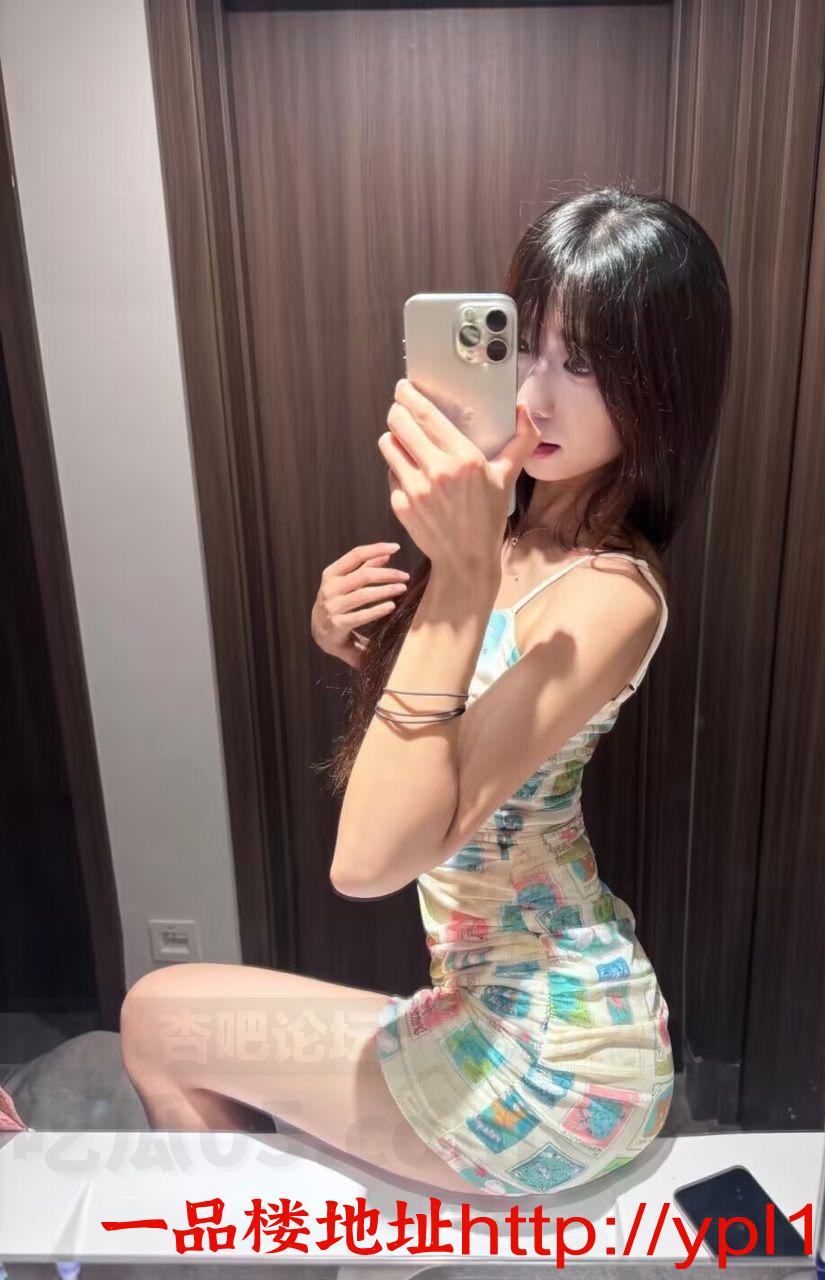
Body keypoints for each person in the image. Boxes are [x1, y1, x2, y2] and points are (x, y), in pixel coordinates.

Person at [120, 186, 731, 1201]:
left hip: (559, 1062)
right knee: (163, 1016)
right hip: (499, 1000)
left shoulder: (612, 593)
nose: (535, 396)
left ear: (659, 383)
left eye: (582, 363)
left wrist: (456, 576)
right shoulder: (506, 524)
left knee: (155, 1017)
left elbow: (369, 860)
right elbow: (441, 727)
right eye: (522, 346)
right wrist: (356, 642)